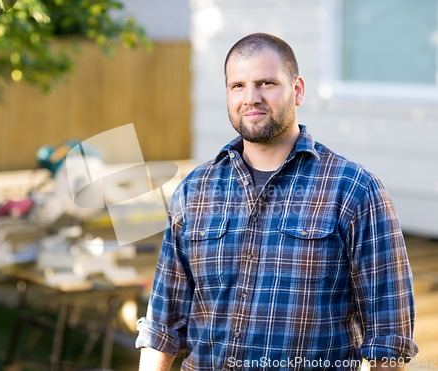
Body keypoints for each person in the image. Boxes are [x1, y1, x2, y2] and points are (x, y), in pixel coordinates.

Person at [135, 33, 418, 370]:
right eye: (237, 86)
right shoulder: (196, 190)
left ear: (297, 89)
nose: (250, 98)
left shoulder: (354, 190)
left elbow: (389, 337)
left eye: (266, 83)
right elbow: (162, 326)